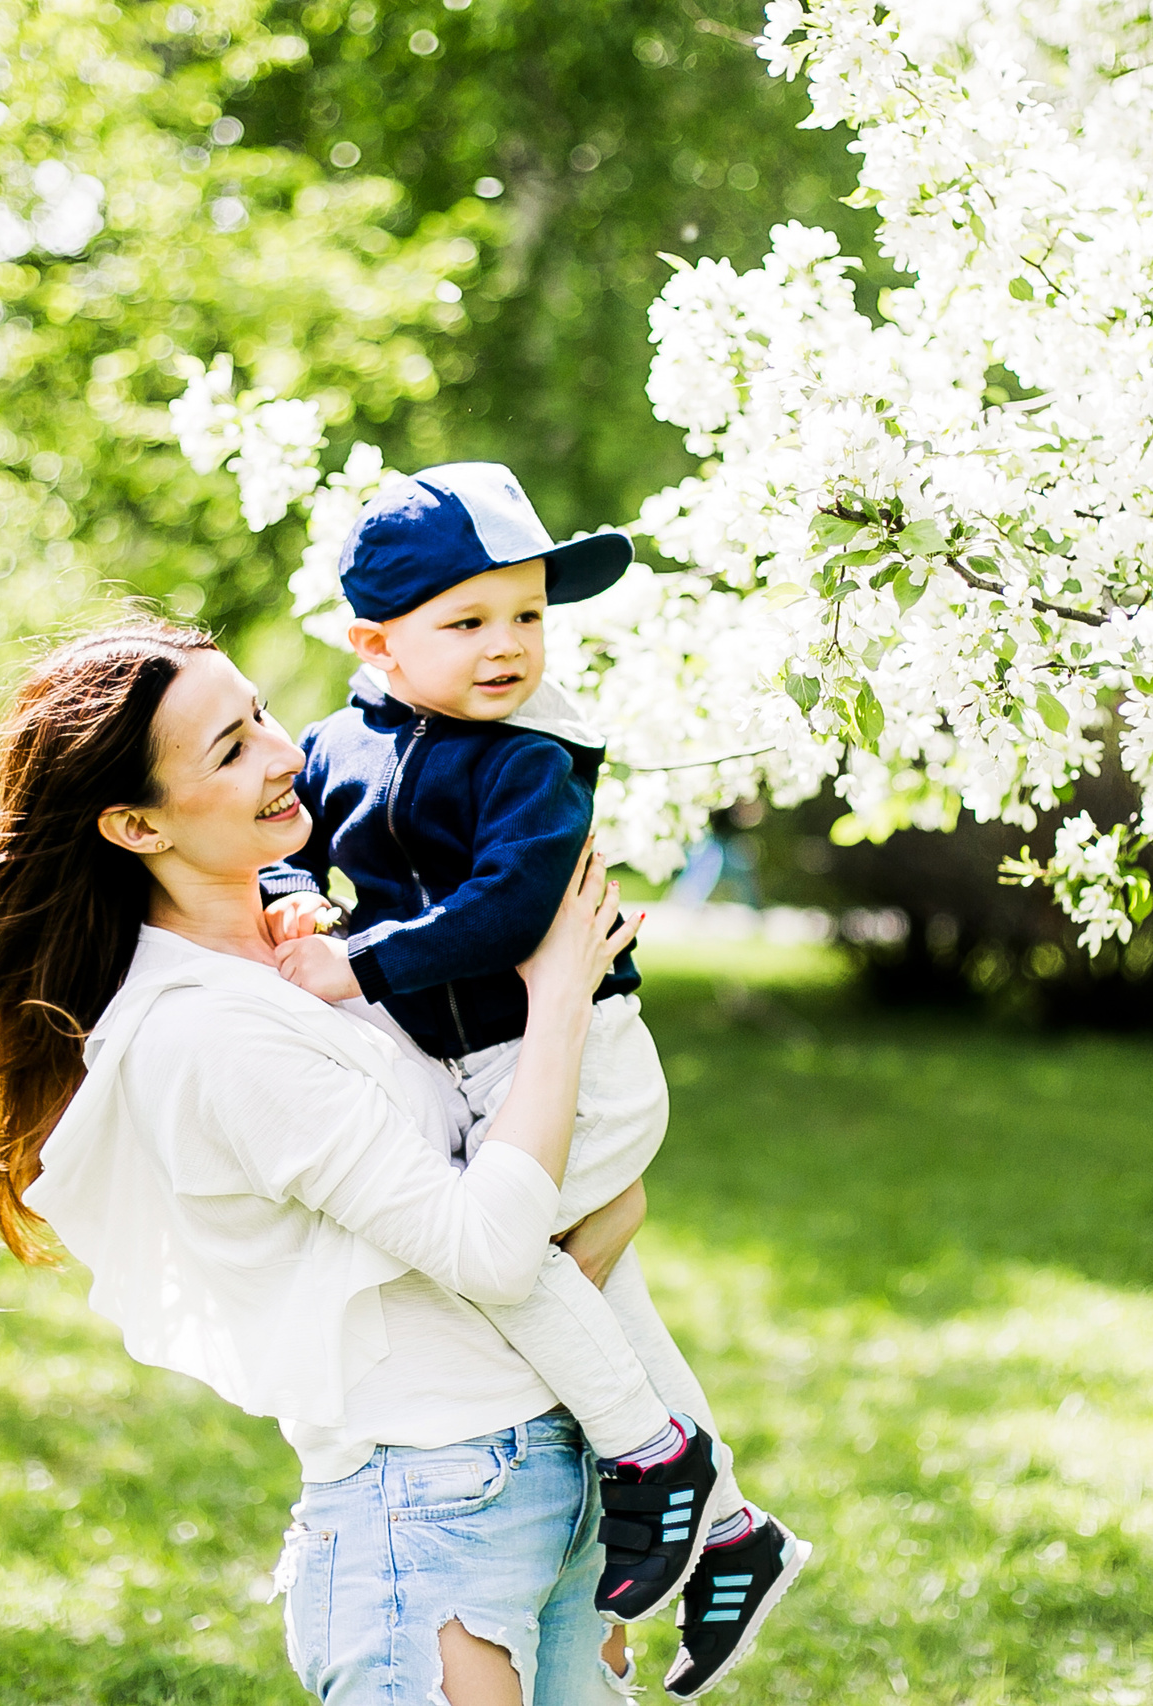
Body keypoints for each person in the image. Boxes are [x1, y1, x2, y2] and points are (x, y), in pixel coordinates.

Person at [0, 624, 655, 1705]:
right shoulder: (207, 1032)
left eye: (263, 712)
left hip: (541, 1468)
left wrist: (615, 1184)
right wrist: (559, 993)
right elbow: (492, 1246)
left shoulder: (305, 956)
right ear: (134, 822)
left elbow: (486, 1153)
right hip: (430, 1504)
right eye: (228, 749)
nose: (282, 753)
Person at [261, 463, 810, 1697]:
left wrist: (355, 966)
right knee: (568, 1280)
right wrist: (296, 906)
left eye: (526, 616)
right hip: (474, 1065)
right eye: (467, 621)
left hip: (583, 1059)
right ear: (374, 641)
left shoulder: (531, 756)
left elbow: (509, 904)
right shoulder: (336, 745)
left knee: (512, 1261)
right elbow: (282, 849)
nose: (507, 646)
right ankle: (730, 1527)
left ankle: (654, 1456)